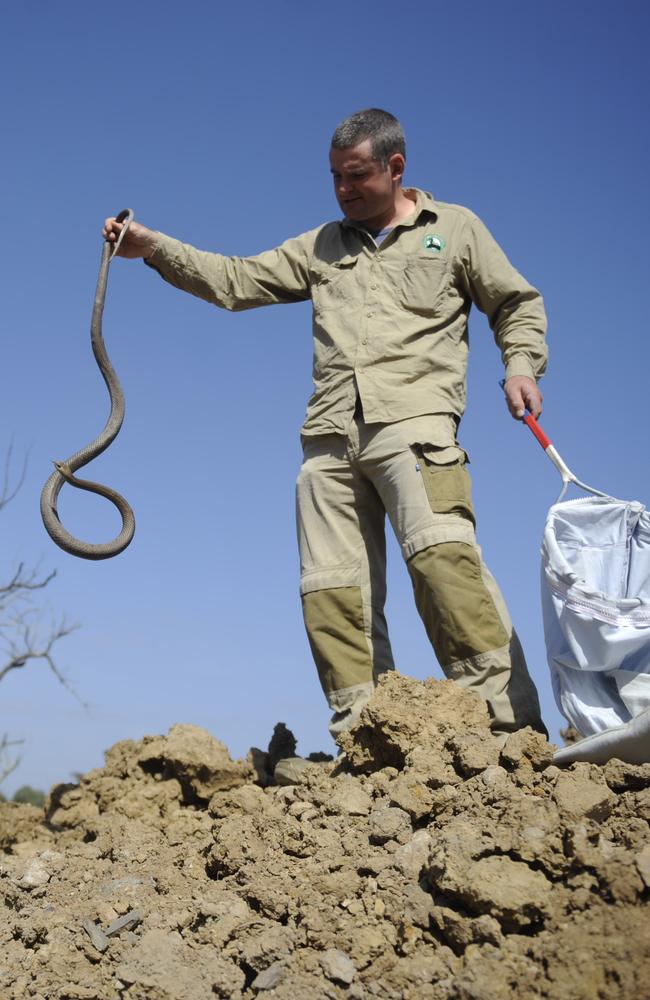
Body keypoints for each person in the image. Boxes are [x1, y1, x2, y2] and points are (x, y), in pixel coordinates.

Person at [104, 108, 548, 741]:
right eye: (335, 177)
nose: (343, 189)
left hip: (415, 427)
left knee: (444, 562)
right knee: (332, 591)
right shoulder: (320, 246)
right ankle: (366, 738)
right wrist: (155, 249)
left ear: (396, 168)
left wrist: (520, 365)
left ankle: (506, 731)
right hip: (328, 441)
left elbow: (516, 303)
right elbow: (235, 281)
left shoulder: (453, 229)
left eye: (357, 175)